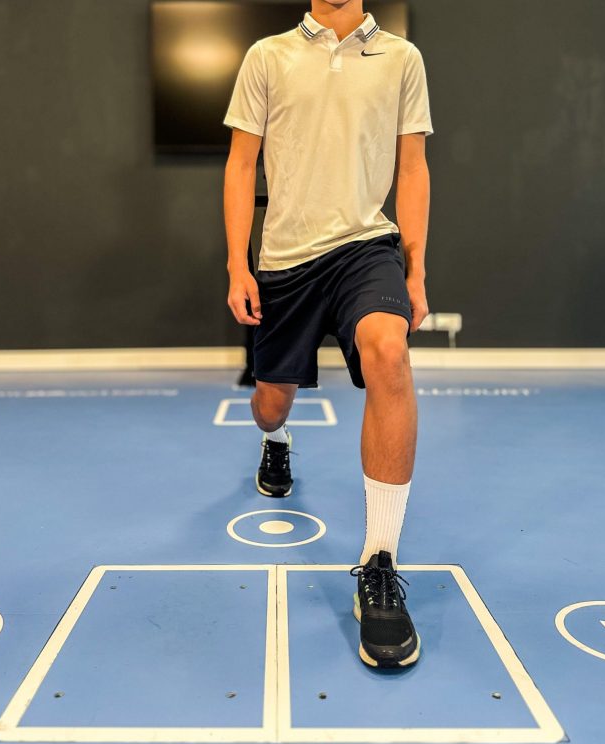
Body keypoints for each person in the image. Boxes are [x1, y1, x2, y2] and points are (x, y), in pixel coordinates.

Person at [223, 0, 433, 668]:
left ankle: (379, 564)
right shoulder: (267, 56)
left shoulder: (401, 58)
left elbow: (412, 168)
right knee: (269, 404)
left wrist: (416, 269)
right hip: (285, 261)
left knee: (390, 353)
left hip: (366, 248)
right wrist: (237, 265)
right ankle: (277, 441)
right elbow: (241, 165)